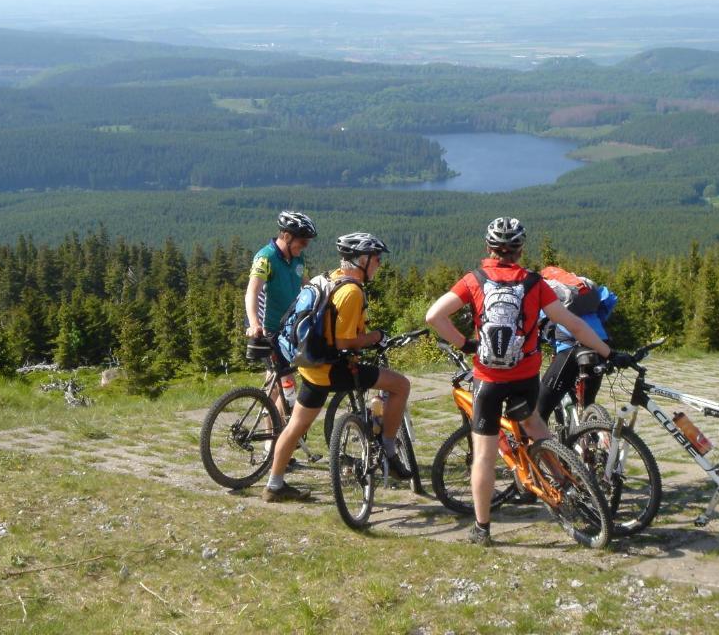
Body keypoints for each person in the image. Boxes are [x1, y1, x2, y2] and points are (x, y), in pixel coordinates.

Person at [425, 217, 629, 546]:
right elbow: (574, 325)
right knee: (536, 426)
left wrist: (465, 344)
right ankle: (567, 484)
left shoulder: (474, 280)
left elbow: (433, 316)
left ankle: (482, 529)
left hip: (488, 379)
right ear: (520, 250)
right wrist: (606, 352)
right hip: (525, 377)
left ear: (489, 248)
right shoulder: (535, 283)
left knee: (484, 457)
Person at [261, 232, 413, 502]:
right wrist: (375, 337)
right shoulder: (352, 292)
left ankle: (274, 485)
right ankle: (389, 449)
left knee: (294, 426)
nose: (379, 264)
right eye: (377, 259)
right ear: (362, 260)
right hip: (334, 369)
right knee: (401, 385)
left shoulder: (329, 278)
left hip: (310, 367)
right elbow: (344, 341)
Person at [244, 211, 317, 427]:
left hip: (290, 329)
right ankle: (273, 444)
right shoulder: (265, 257)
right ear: (286, 236)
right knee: (279, 384)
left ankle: (278, 437)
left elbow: (307, 285)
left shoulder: (297, 258)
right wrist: (254, 324)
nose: (304, 246)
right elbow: (252, 292)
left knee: (282, 384)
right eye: (302, 241)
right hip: (270, 330)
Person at [535, 269, 618, 424]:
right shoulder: (582, 289)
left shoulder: (545, 293)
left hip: (571, 347)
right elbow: (608, 300)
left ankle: (541, 446)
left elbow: (532, 324)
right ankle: (596, 436)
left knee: (539, 410)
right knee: (588, 403)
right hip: (600, 344)